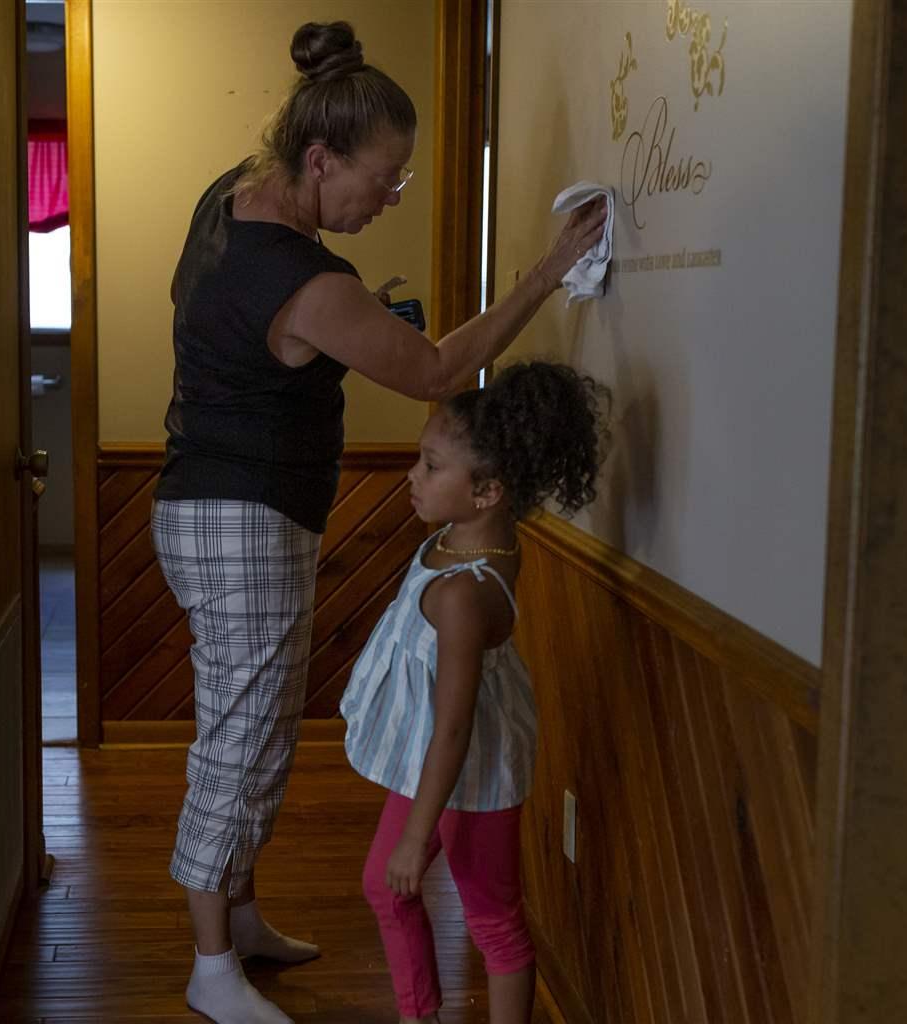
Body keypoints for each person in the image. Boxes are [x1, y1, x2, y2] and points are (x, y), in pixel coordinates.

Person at [151, 20, 606, 1024]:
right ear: (319, 158)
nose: (388, 198)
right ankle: (209, 965)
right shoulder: (308, 282)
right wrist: (543, 273)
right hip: (242, 514)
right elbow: (439, 372)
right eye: (382, 177)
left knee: (257, 726)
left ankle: (238, 915)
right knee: (237, 738)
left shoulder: (231, 194)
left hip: (209, 504)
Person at [340, 361, 610, 1024]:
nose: (413, 476)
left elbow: (456, 727)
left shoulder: (467, 593)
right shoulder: (455, 543)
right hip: (431, 758)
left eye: (431, 465)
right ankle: (419, 1013)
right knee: (385, 884)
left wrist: (417, 835)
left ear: (486, 491)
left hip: (474, 769)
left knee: (490, 915)